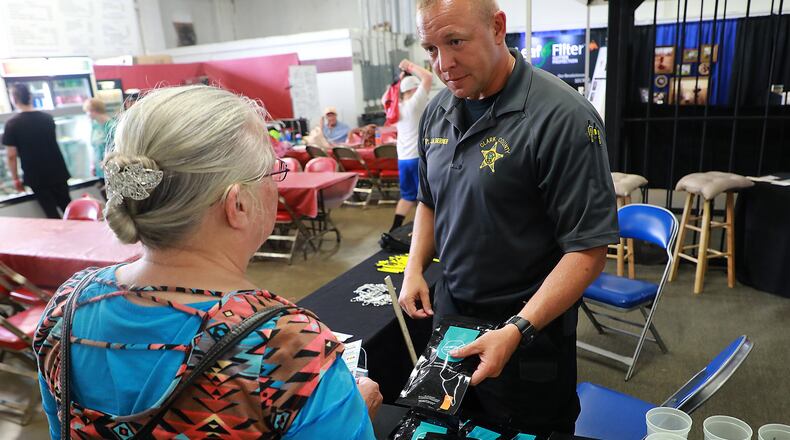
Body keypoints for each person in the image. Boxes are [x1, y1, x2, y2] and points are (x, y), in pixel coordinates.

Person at [34, 86, 381, 439]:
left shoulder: (66, 307)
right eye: (271, 172)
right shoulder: (287, 350)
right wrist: (352, 413)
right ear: (238, 204)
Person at [398, 0, 618, 436]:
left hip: (526, 331)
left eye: (455, 41)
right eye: (431, 48)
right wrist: (413, 267)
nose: (443, 63)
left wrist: (517, 329)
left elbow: (589, 251)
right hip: (453, 320)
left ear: (498, 28)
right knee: (449, 425)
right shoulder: (438, 112)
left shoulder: (563, 118)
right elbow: (428, 200)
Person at [1, 84, 72, 218]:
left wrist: (15, 178)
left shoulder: (12, 124)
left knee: (52, 214)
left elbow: (11, 156)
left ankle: (63, 238)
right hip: (58, 171)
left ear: (14, 98)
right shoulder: (47, 118)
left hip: (36, 176)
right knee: (69, 209)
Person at [388, 59, 432, 231]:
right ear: (414, 89)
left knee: (407, 197)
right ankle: (427, 233)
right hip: (417, 159)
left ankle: (394, 229)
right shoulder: (415, 103)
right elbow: (427, 77)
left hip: (403, 159)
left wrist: (400, 79)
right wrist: (410, 66)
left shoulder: (396, 108)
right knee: (426, 198)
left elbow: (389, 95)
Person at [82, 98, 116, 179]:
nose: (87, 114)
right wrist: (93, 165)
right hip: (100, 169)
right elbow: (94, 147)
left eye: (87, 111)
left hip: (111, 169)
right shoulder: (94, 125)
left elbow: (118, 147)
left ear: (94, 110)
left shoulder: (111, 126)